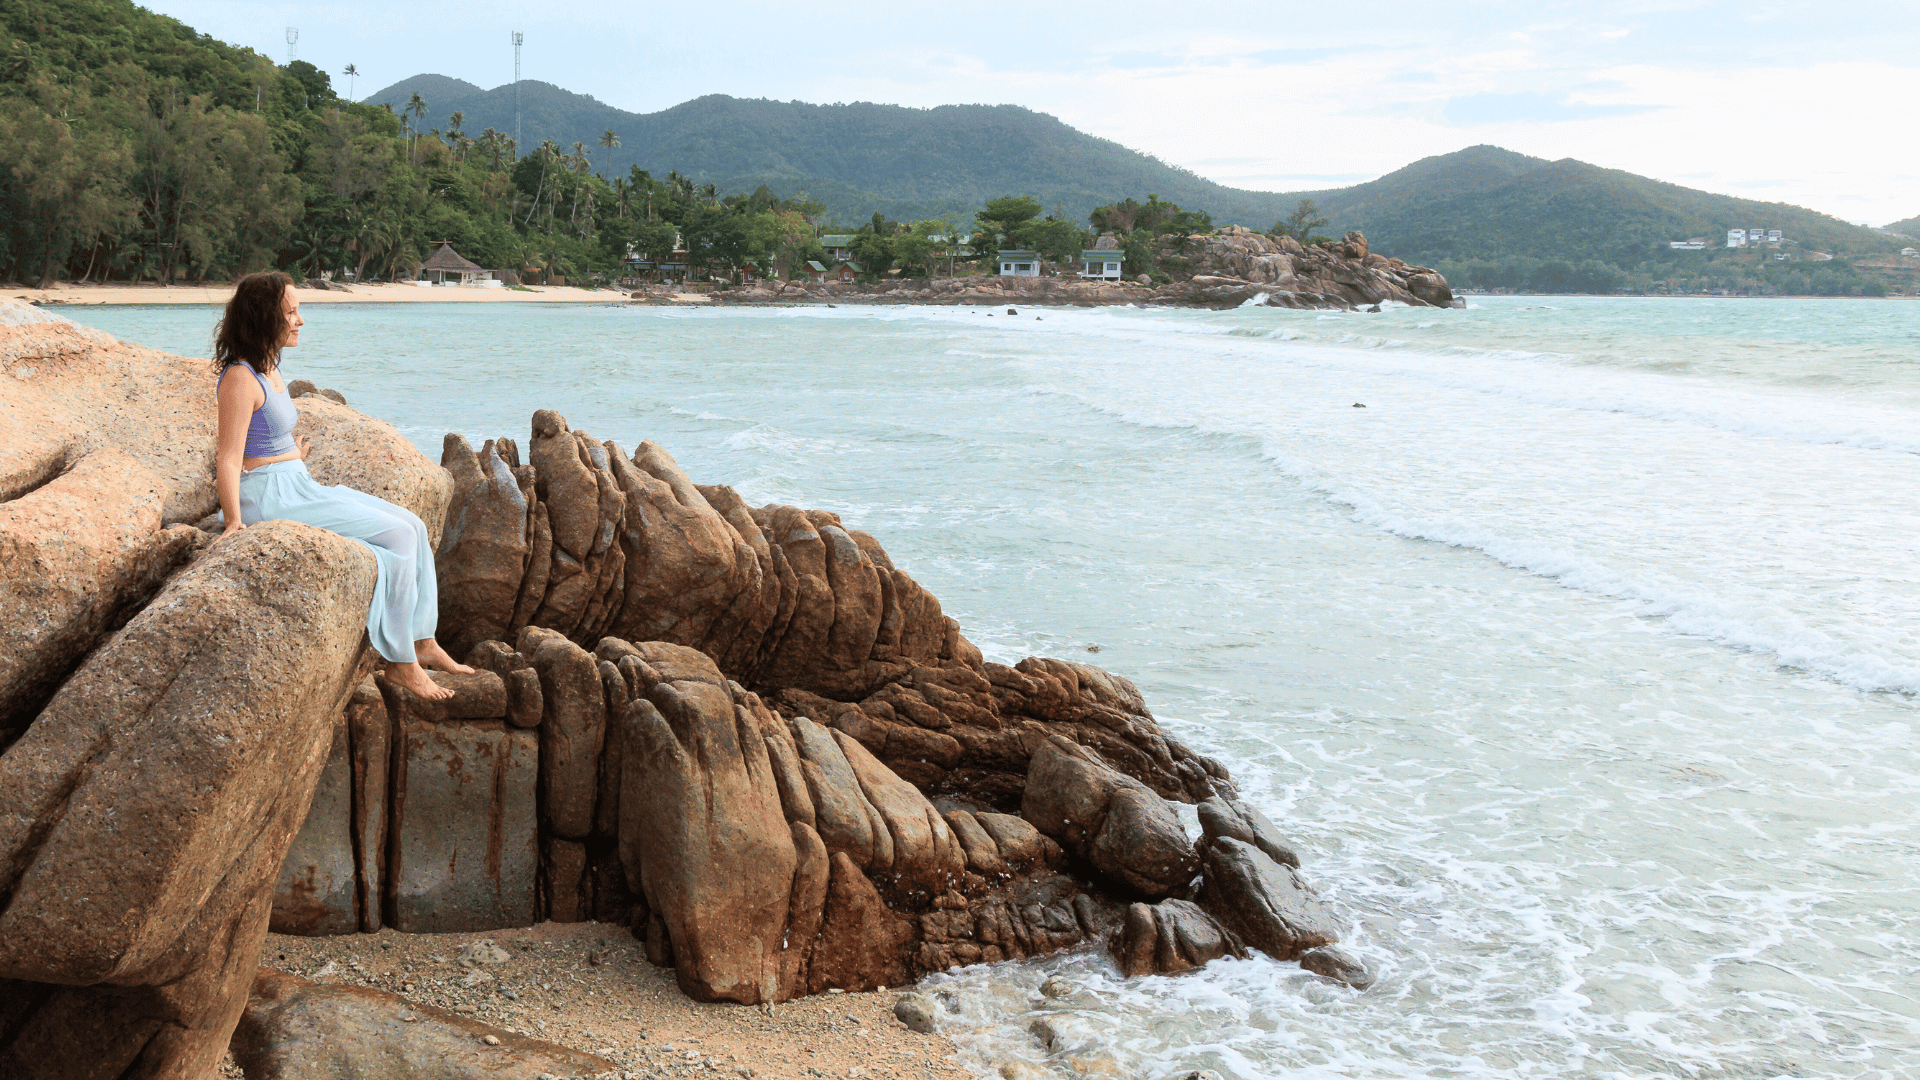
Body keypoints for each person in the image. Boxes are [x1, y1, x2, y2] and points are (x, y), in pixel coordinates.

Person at [213, 271, 469, 701]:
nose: (300, 320)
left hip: (295, 481)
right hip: (269, 496)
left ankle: (423, 639)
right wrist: (233, 521)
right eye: (291, 313)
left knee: (414, 525)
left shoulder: (269, 366)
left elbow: (265, 438)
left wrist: (289, 454)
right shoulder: (240, 377)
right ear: (263, 317)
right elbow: (229, 457)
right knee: (398, 537)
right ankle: (401, 663)